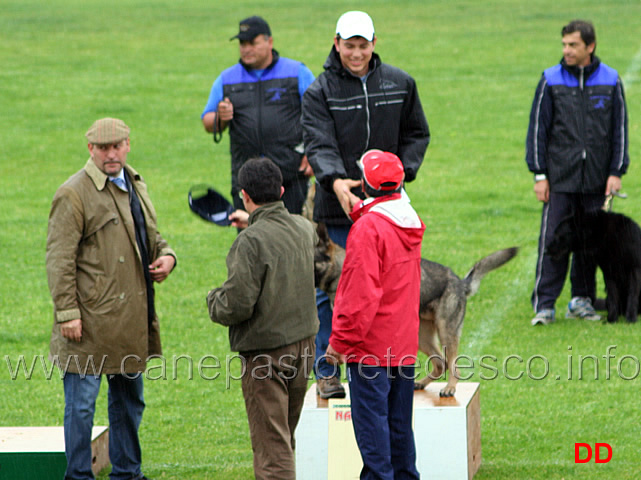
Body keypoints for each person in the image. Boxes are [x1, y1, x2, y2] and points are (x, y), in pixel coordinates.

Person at [301, 10, 430, 398]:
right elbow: (317, 142)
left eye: (362, 45)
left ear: (374, 44)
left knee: (392, 287)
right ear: (336, 43)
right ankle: (327, 372)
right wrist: (335, 180)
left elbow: (416, 134)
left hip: (389, 206)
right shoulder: (319, 91)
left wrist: (401, 172)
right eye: (348, 46)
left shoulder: (401, 83)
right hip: (335, 206)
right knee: (333, 289)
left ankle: (387, 366)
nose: (355, 53)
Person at [46, 118, 177, 480]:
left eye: (116, 146)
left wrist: (167, 256)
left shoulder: (135, 182)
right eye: (103, 148)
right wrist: (67, 313)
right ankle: (78, 476)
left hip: (130, 320)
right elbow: (58, 260)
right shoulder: (73, 193)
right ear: (90, 149)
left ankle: (127, 473)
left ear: (128, 145)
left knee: (129, 402)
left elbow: (150, 236)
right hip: (86, 324)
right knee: (82, 408)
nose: (110, 153)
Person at [206, 157, 318, 480]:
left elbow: (236, 305)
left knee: (272, 449)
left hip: (266, 353)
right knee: (284, 436)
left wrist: (213, 300)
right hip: (305, 345)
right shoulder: (303, 227)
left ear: (245, 196)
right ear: (281, 190)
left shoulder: (249, 242)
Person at [326, 150, 425, 480]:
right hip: (403, 347)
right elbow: (380, 218)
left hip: (370, 352)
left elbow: (359, 297)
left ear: (365, 184)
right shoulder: (407, 218)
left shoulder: (368, 229)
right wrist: (357, 207)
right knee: (400, 436)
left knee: (374, 447)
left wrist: (339, 343)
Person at [526, 19, 629, 326]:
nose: (566, 51)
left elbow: (619, 130)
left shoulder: (611, 80)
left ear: (590, 47)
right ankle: (544, 304)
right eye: (564, 45)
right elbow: (537, 131)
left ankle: (581, 300)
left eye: (573, 45)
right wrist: (539, 174)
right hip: (559, 179)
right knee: (554, 241)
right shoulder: (550, 79)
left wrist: (615, 171)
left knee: (589, 243)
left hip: (597, 180)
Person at [201, 15, 316, 215]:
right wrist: (220, 117)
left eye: (252, 43)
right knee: (251, 242)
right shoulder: (227, 79)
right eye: (242, 44)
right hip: (247, 183)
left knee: (293, 241)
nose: (246, 49)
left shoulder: (297, 73)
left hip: (290, 178)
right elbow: (207, 122)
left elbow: (319, 115)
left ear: (269, 42)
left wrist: (313, 153)